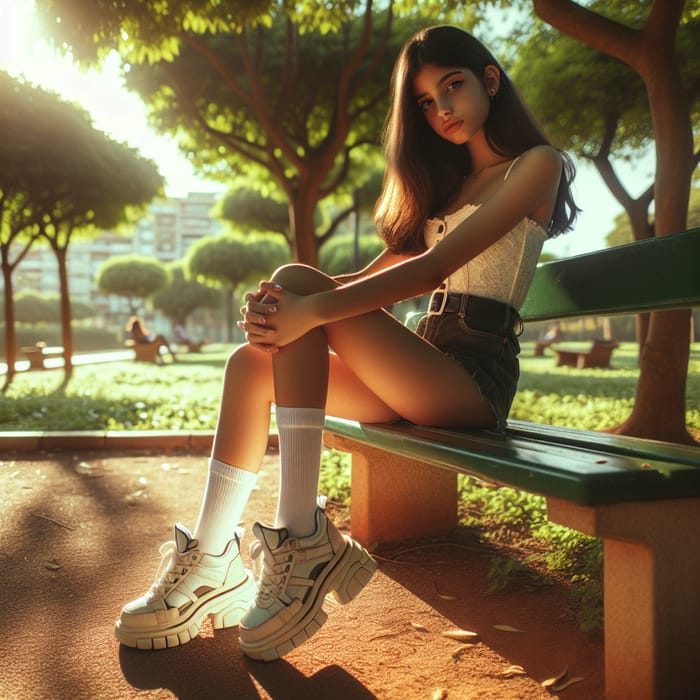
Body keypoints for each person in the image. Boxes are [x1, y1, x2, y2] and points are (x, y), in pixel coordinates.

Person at [115, 25, 577, 661]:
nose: (442, 109)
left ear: (489, 81)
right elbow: (359, 284)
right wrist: (282, 311)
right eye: (425, 102)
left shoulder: (537, 165)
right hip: (424, 363)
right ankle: (213, 560)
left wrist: (303, 304)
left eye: (452, 86)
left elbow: (426, 273)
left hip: (474, 377)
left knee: (301, 292)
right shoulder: (445, 187)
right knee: (252, 362)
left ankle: (302, 539)